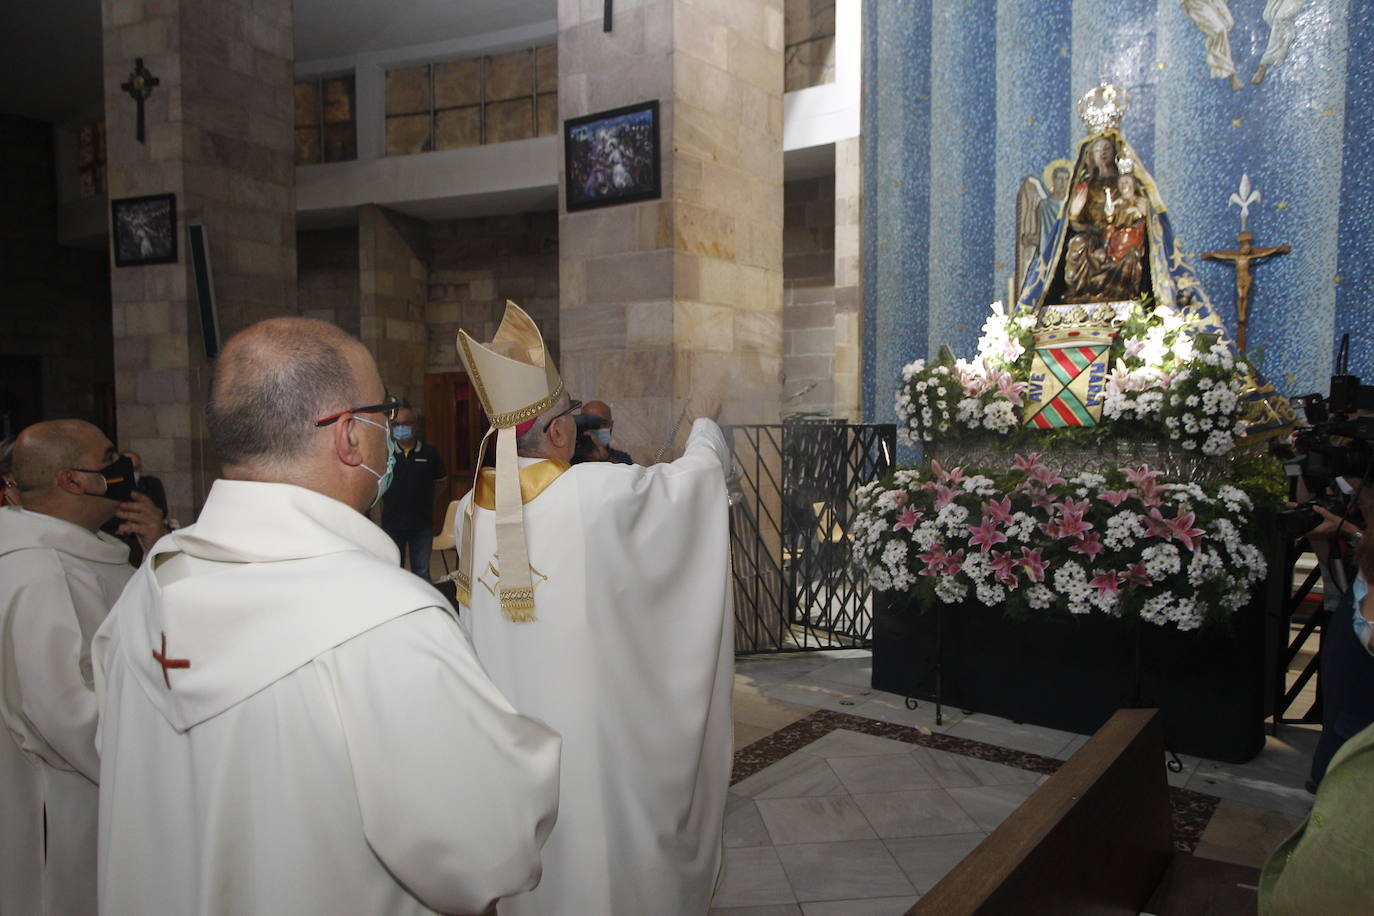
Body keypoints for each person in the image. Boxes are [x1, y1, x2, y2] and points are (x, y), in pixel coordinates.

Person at [93, 316, 561, 915]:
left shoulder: (150, 584)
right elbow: (490, 847)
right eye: (385, 414)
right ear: (349, 436)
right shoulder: (387, 620)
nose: (393, 431)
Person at [453, 302, 734, 915]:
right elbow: (691, 491)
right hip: (596, 750)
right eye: (573, 412)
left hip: (511, 753)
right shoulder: (594, 494)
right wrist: (706, 424)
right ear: (557, 431)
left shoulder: (467, 514)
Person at [0, 419, 143, 915]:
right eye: (108, 459)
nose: (125, 466)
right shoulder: (40, 572)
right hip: (68, 801)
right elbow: (64, 713)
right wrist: (156, 769)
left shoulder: (79, 555)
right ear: (73, 480)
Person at [380, 404, 448, 580]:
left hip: (421, 525)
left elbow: (441, 483)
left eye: (407, 423)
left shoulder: (430, 453)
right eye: (396, 424)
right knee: (395, 572)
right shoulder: (385, 454)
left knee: (422, 572)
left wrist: (426, 501)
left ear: (416, 426)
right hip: (392, 524)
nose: (401, 428)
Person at [581, 399, 635, 464]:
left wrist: (607, 458)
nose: (597, 428)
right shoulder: (570, 458)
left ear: (611, 425)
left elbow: (624, 473)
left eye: (603, 423)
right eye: (590, 424)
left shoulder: (622, 458)